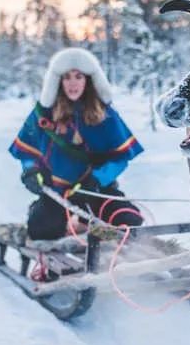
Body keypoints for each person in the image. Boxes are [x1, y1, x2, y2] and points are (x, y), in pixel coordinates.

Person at [9, 47, 145, 241]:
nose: (72, 83)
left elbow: (121, 158)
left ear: (88, 80)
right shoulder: (42, 115)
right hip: (56, 193)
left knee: (129, 221)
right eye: (66, 77)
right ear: (58, 81)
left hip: (97, 191)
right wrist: (31, 171)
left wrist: (97, 180)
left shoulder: (106, 116)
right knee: (41, 230)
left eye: (78, 77)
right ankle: (48, 216)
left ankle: (113, 257)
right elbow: (27, 154)